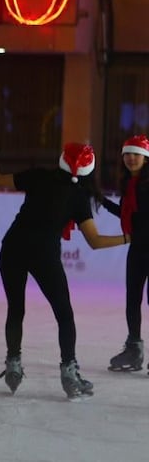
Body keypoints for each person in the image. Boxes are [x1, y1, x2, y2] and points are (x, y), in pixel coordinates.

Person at [0, 137, 128, 399]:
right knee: (64, 315)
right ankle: (69, 371)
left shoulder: (38, 176)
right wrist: (130, 238)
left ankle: (13, 364)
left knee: (16, 309)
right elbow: (94, 242)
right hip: (44, 256)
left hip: (12, 248)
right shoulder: (79, 196)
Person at [104, 135, 149, 373]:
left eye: (137, 154)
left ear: (146, 157)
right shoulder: (130, 184)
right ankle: (134, 349)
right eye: (128, 154)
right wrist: (99, 199)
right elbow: (127, 214)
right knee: (132, 300)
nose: (131, 158)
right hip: (138, 249)